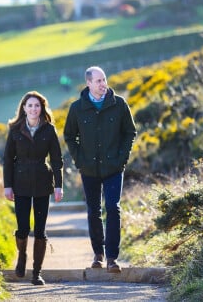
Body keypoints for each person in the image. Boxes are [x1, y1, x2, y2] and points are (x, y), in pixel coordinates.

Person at [63, 66, 136, 273]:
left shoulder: (119, 104)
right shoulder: (77, 108)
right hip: (89, 170)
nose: (103, 84)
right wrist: (80, 160)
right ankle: (98, 254)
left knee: (113, 207)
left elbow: (130, 132)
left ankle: (112, 258)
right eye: (98, 81)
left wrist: (122, 159)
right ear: (88, 83)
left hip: (114, 168)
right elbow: (69, 136)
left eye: (104, 80)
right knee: (93, 211)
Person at [3, 91, 64, 286]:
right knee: (23, 228)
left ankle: (36, 273)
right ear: (23, 108)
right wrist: (8, 185)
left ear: (42, 108)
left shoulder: (49, 130)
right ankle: (22, 255)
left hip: (42, 184)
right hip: (20, 183)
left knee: (40, 229)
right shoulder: (14, 130)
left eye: (37, 105)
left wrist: (59, 185)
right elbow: (7, 160)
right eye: (30, 105)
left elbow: (56, 160)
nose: (33, 109)